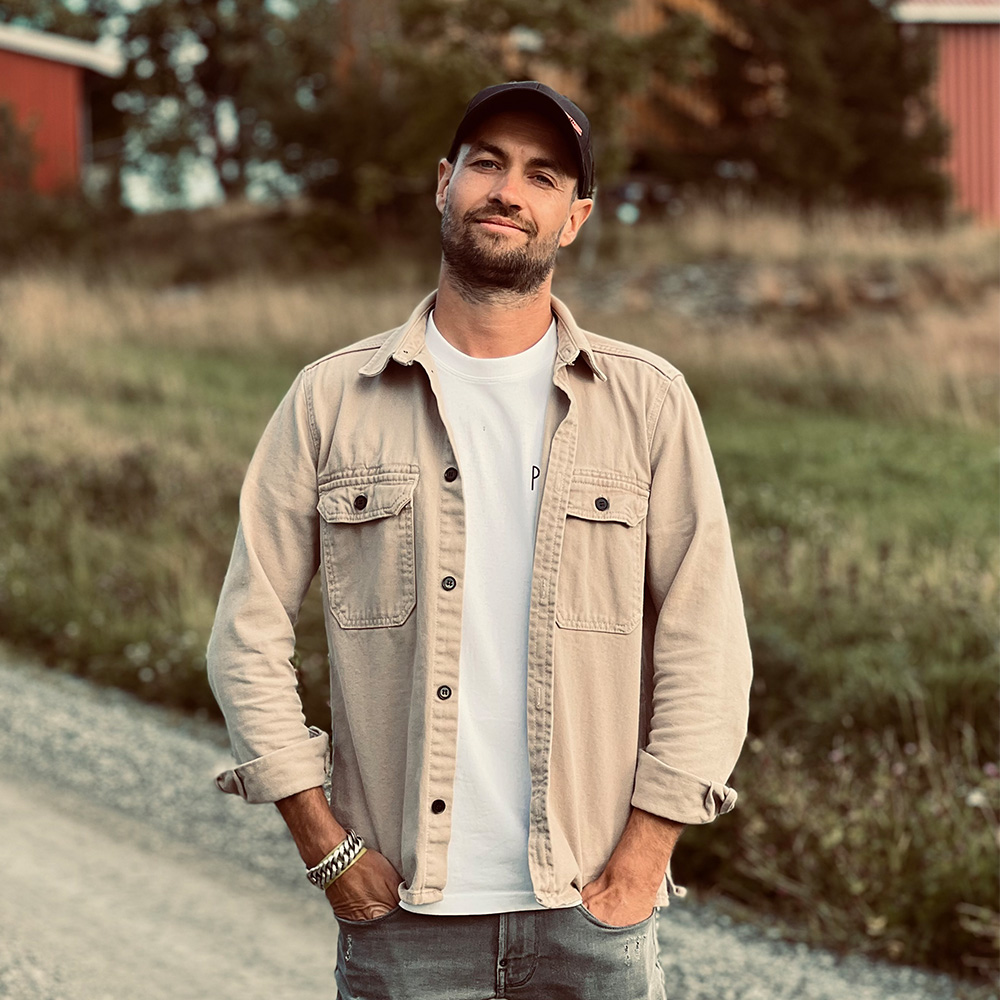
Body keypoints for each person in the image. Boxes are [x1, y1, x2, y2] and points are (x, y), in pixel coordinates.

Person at [207, 80, 752, 1000]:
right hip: (402, 921)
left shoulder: (647, 403)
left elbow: (709, 644)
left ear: (574, 217)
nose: (508, 190)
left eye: (543, 175)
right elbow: (246, 633)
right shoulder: (331, 400)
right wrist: (325, 846)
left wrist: (642, 859)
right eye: (487, 163)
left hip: (590, 916)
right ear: (443, 183)